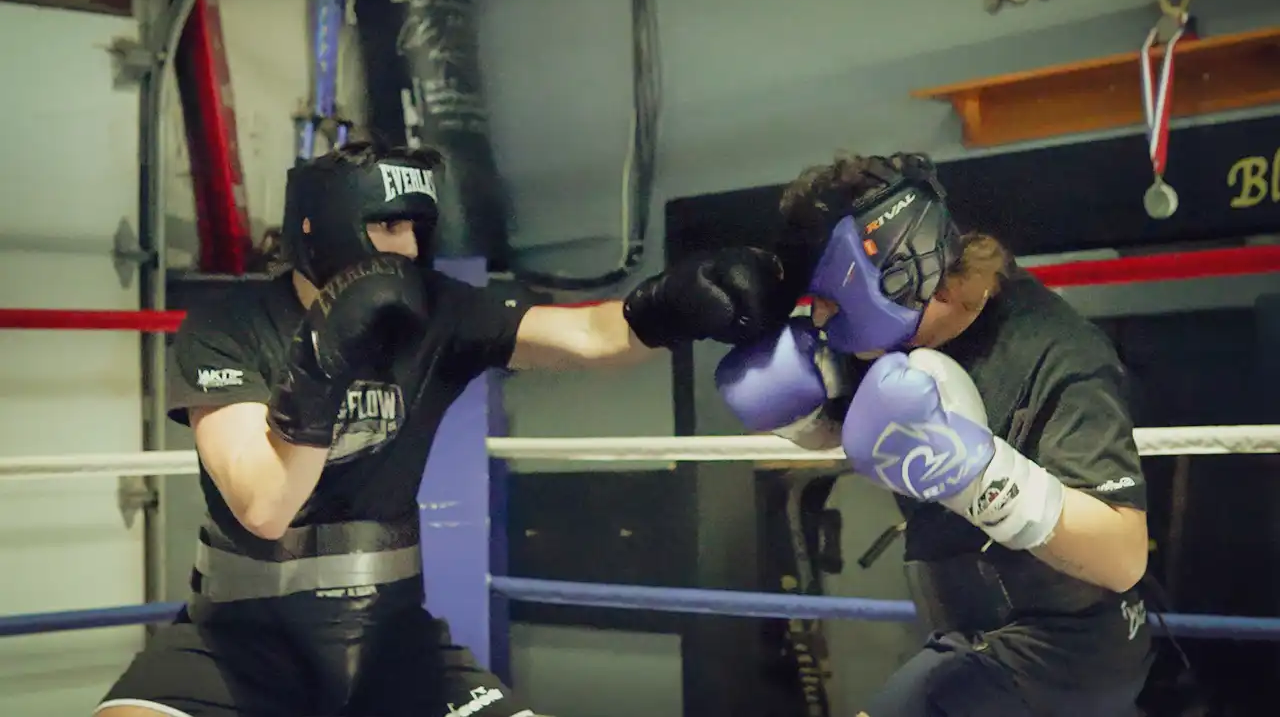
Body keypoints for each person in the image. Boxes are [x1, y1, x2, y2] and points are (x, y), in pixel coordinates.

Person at [96, 138, 791, 717]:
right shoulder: (229, 329)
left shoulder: (438, 311)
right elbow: (263, 505)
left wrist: (671, 305)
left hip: (392, 642)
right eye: (385, 225)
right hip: (238, 641)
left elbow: (585, 334)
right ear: (319, 227)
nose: (404, 248)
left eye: (414, 229)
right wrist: (324, 356)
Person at [716, 153, 1154, 716]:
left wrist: (978, 477)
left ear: (899, 273)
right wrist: (800, 416)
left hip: (1064, 655)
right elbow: (874, 431)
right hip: (967, 634)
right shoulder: (893, 338)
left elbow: (1123, 558)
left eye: (830, 296)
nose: (820, 319)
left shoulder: (1058, 351)